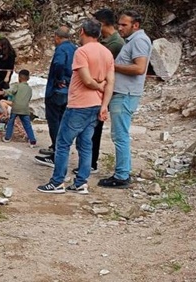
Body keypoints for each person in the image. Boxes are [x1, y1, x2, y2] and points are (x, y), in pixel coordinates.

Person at [37, 19, 115, 194]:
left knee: (63, 143)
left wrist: (97, 85)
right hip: (96, 104)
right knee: (86, 145)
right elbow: (111, 82)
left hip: (79, 104)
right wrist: (104, 105)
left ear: (82, 32)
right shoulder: (107, 53)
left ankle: (57, 182)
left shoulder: (82, 52)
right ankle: (81, 182)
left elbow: (86, 80)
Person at [98, 10, 152, 189]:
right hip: (123, 93)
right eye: (119, 24)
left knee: (120, 135)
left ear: (135, 25)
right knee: (120, 134)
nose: (120, 28)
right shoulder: (133, 41)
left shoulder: (139, 41)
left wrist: (112, 66)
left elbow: (139, 68)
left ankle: (121, 176)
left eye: (124, 25)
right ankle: (123, 171)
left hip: (125, 94)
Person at [81, 8, 125, 175]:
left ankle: (91, 163)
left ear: (102, 23)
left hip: (101, 89)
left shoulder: (115, 44)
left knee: (94, 128)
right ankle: (89, 162)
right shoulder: (107, 42)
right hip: (97, 88)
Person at [34, 26, 77, 167]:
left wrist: (59, 79)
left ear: (57, 37)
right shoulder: (74, 48)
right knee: (63, 122)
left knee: (54, 122)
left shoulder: (61, 49)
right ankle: (58, 150)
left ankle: (56, 155)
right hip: (69, 91)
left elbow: (58, 63)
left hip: (56, 91)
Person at [0, 69, 37, 147]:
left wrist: (3, 92)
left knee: (11, 122)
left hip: (16, 107)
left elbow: (10, 92)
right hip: (25, 109)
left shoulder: (17, 86)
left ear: (19, 78)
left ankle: (7, 138)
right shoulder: (29, 89)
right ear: (28, 78)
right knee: (27, 125)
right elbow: (29, 98)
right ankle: (32, 141)